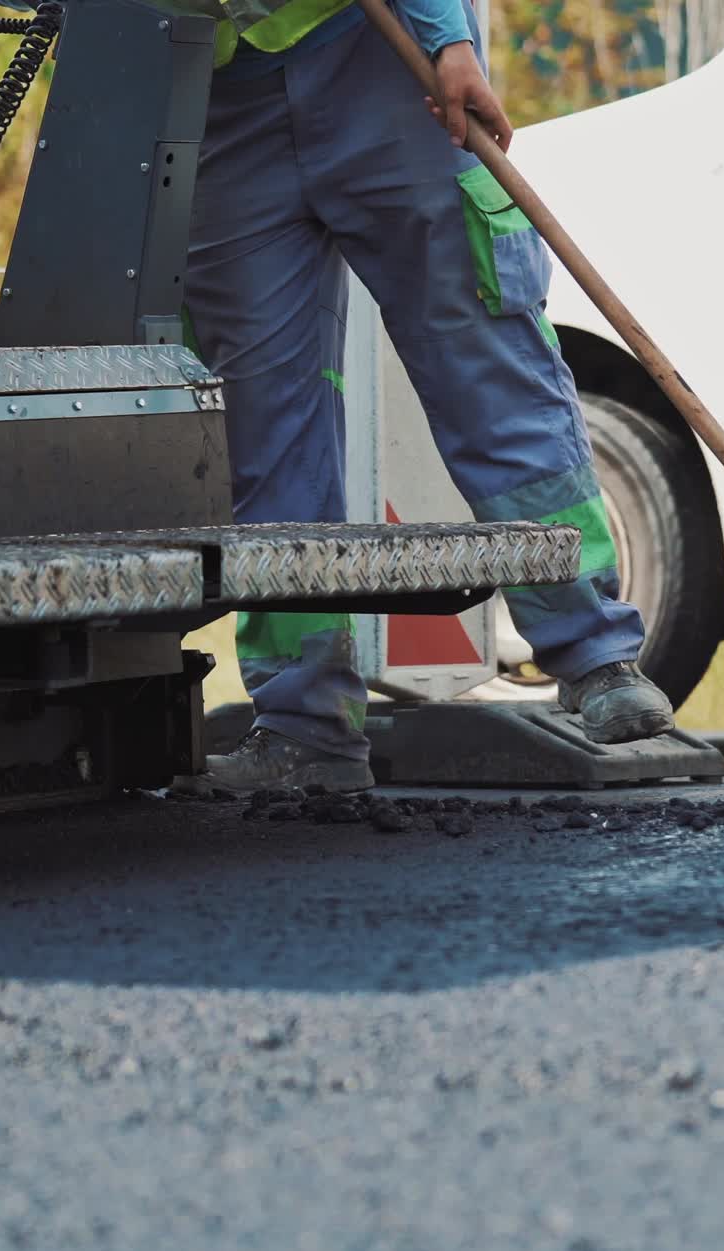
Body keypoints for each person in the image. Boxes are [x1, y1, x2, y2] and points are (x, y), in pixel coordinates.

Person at [178, 0, 676, 794]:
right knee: (265, 426)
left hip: (376, 55)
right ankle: (306, 727)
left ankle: (595, 656)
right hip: (216, 92)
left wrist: (446, 39)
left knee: (484, 362)